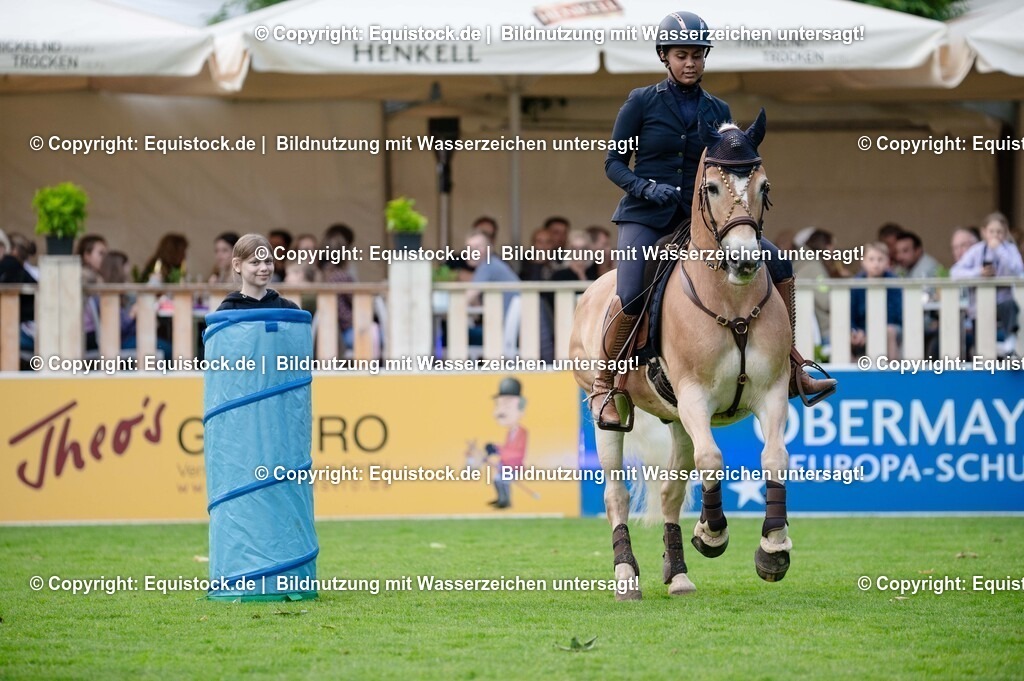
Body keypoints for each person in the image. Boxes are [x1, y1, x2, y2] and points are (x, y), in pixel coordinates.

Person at [593, 10, 835, 429]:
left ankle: (793, 365)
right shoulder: (640, 102)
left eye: (697, 55)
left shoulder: (718, 108)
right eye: (681, 54)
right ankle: (606, 384)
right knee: (631, 290)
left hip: (704, 220)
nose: (690, 62)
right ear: (665, 57)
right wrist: (647, 188)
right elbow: (613, 163)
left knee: (777, 261)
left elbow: (729, 168)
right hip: (646, 217)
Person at [950, 212, 1023, 346]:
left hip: (1003, 300)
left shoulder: (1010, 249)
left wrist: (999, 250)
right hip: (979, 305)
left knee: (1010, 306)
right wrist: (979, 272)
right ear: (984, 232)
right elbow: (955, 272)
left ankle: (1009, 342)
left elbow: (1017, 270)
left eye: (999, 232)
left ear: (1006, 233)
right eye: (991, 231)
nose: (995, 235)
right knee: (981, 343)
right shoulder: (976, 250)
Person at [217, 234, 299, 311]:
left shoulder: (287, 308)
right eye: (255, 262)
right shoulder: (228, 310)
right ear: (237, 265)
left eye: (268, 261)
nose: (264, 268)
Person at [850, 242, 902, 359]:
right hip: (861, 330)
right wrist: (855, 331)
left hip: (888, 327)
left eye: (880, 259)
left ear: (887, 262)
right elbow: (850, 314)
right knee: (847, 335)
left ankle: (891, 372)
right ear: (863, 261)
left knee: (890, 331)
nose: (876, 263)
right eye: (871, 259)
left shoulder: (894, 282)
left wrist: (871, 332)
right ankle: (851, 373)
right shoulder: (856, 284)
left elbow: (896, 314)